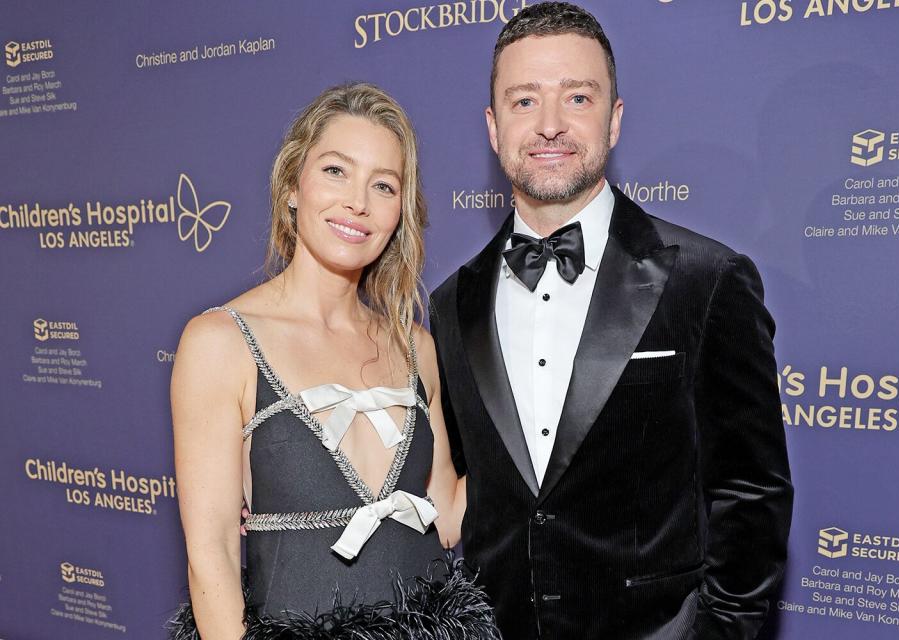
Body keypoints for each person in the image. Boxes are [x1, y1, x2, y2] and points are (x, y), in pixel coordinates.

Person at [429, 3, 793, 638]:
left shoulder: (706, 281)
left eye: (577, 97)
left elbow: (750, 494)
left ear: (615, 119)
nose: (549, 125)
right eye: (523, 102)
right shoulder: (449, 303)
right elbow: (454, 490)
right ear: (492, 128)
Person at [168, 83, 498, 639]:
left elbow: (443, 516)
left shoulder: (414, 344)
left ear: (401, 211)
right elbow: (213, 552)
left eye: (384, 185)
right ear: (292, 184)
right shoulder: (220, 341)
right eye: (336, 171)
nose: (358, 203)